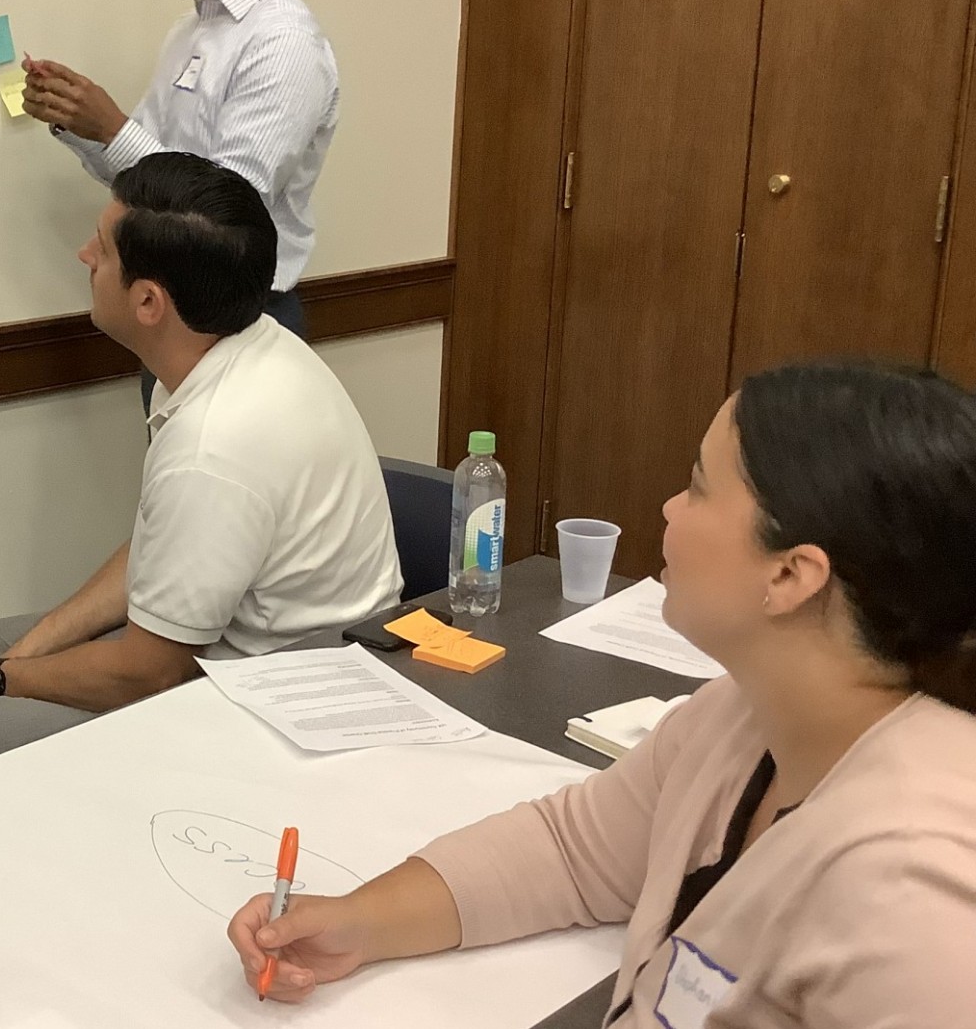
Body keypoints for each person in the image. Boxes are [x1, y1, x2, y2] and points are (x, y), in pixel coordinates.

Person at [228, 361, 976, 1026]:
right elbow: (569, 851)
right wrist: (360, 922)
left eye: (697, 487)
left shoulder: (917, 901)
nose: (669, 509)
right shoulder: (745, 719)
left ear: (791, 576)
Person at [0, 153, 402, 784]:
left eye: (101, 250)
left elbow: (150, 672)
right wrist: (9, 666)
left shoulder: (212, 448)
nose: (84, 256)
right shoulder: (238, 347)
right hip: (224, 656)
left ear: (150, 302)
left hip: (273, 712)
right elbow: (157, 550)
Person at [22, 0, 340, 407]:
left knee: (221, 491)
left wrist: (114, 129)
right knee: (178, 492)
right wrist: (81, 123)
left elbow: (222, 213)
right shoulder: (190, 32)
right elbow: (147, 181)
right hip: (169, 320)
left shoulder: (283, 41)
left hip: (241, 323)